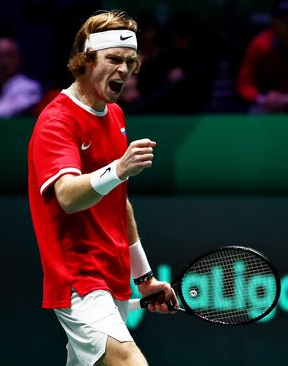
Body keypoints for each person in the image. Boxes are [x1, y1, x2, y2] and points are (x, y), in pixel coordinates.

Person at [27, 10, 177, 366]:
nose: (124, 70)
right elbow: (66, 196)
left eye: (130, 61)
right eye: (113, 59)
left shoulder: (115, 115)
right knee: (130, 362)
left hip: (113, 276)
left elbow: (119, 202)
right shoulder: (56, 121)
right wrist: (119, 168)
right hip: (77, 277)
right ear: (85, 60)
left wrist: (143, 276)